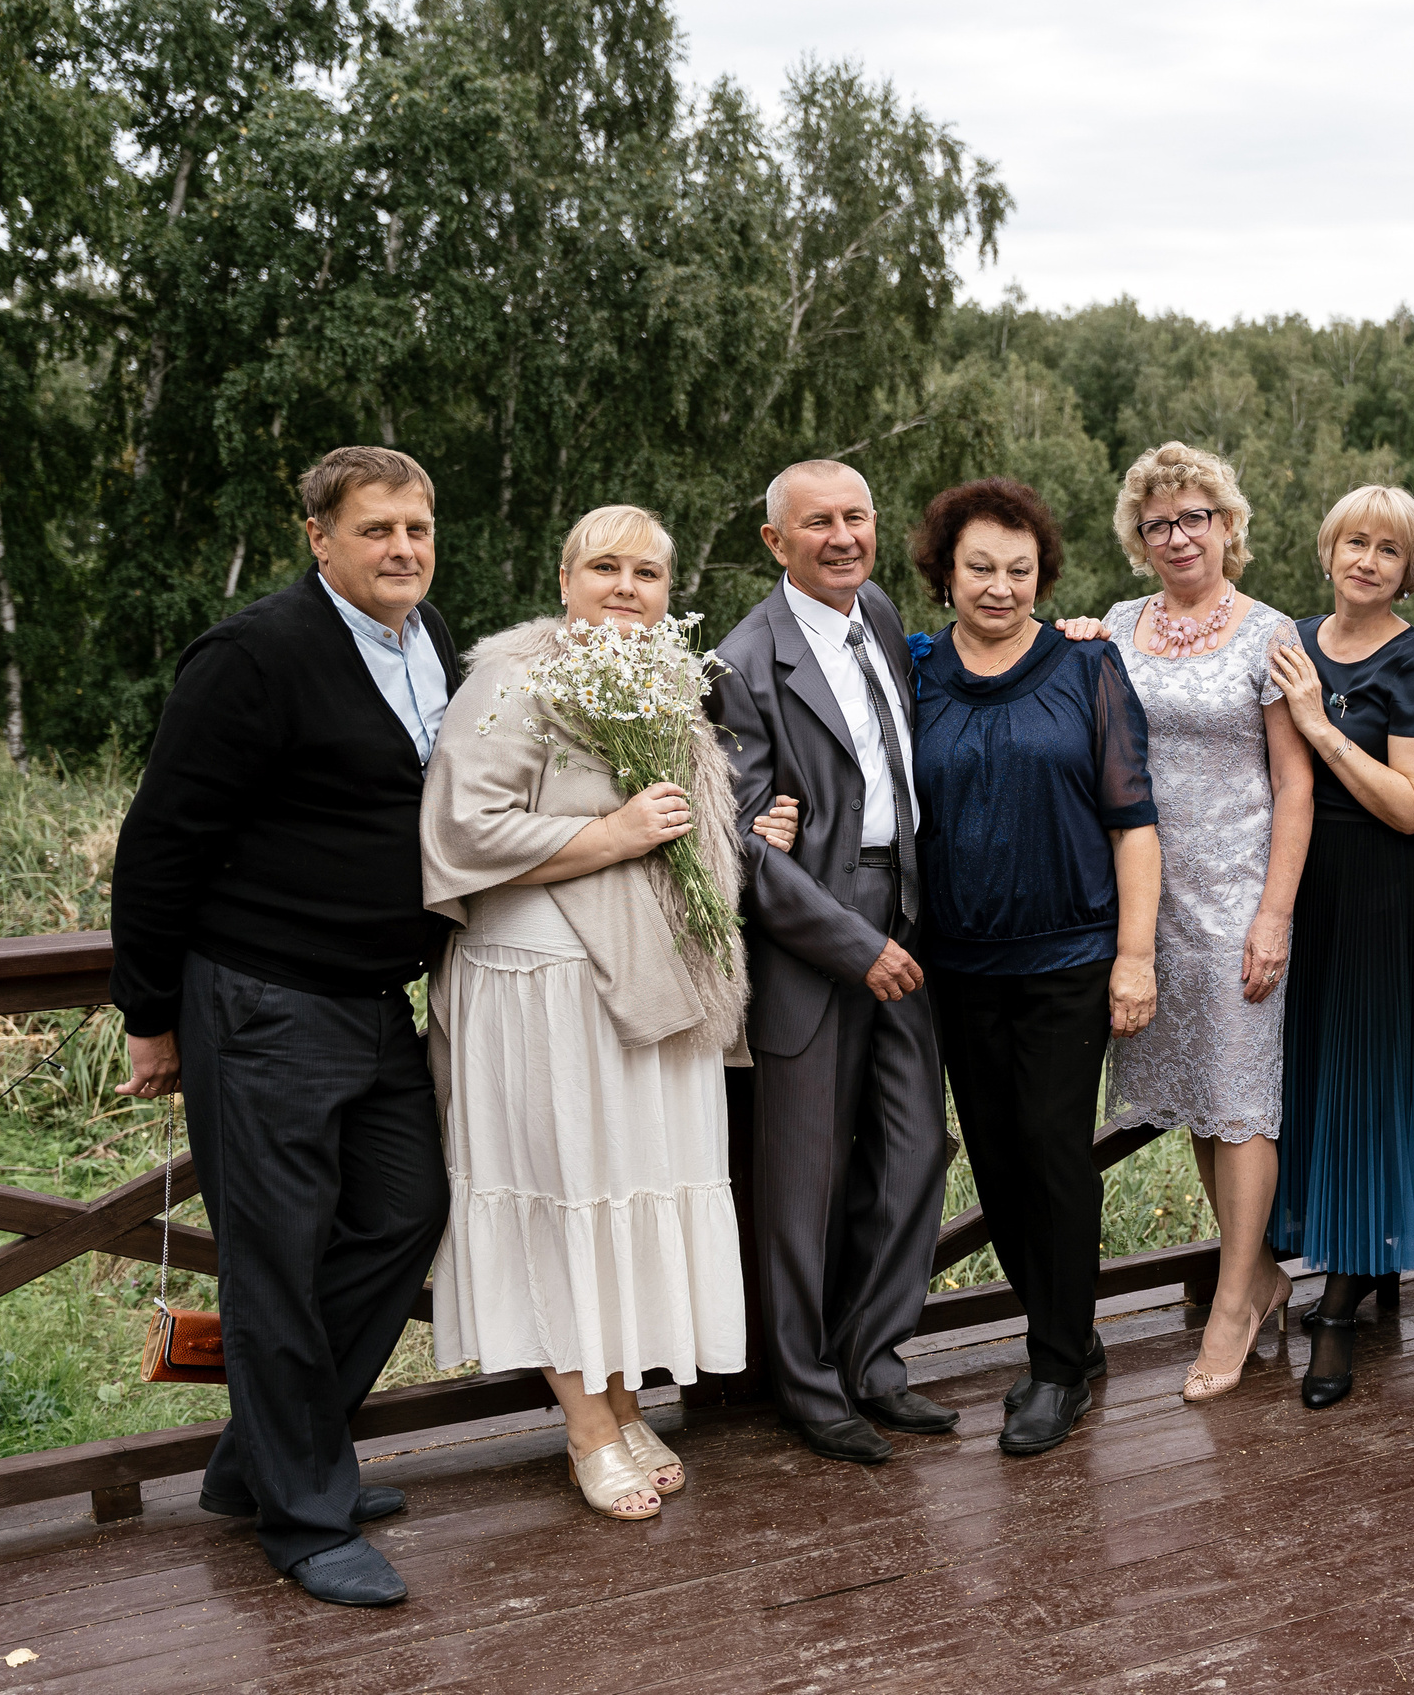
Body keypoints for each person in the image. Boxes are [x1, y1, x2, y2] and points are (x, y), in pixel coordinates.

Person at [108, 445, 458, 1607]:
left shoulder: (427, 643)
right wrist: (149, 1017)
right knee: (275, 1264)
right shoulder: (256, 655)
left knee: (406, 1213)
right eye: (376, 530)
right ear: (319, 537)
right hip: (260, 1003)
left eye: (416, 527)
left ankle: (260, 1458)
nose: (402, 548)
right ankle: (304, 1519)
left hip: (373, 1001)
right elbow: (160, 842)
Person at [421, 505, 782, 1519]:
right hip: (539, 986)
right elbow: (462, 830)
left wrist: (748, 826)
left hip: (645, 987)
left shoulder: (666, 685)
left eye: (649, 573)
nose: (628, 587)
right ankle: (584, 1426)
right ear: (566, 577)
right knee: (563, 1196)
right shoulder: (513, 678)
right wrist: (613, 834)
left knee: (624, 1196)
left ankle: (621, 1401)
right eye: (607, 567)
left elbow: (687, 837)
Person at [894, 477, 1161, 1456]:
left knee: (1053, 1154)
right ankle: (1070, 1343)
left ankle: (1056, 1368)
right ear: (944, 573)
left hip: (1069, 957)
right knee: (999, 1164)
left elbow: (1134, 822)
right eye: (979, 569)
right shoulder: (915, 671)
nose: (998, 587)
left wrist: (1134, 957)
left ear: (1041, 574)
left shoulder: (1087, 668)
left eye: (1017, 570)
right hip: (957, 964)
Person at [707, 459, 957, 1466]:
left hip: (905, 912)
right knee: (800, 1183)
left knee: (912, 1154)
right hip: (815, 944)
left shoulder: (883, 616)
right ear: (776, 543)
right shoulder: (741, 664)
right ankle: (804, 1386)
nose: (843, 537)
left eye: (857, 516)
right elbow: (742, 852)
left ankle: (876, 1361)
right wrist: (853, 946)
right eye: (818, 524)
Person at [1100, 441, 1315, 1402]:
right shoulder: (1113, 624)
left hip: (1238, 899)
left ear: (1228, 524)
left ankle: (1234, 1304)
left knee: (1241, 1102)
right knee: (1192, 1091)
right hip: (1148, 900)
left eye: (1195, 517)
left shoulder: (1269, 631)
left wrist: (1275, 916)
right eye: (1159, 523)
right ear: (1140, 540)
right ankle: (1254, 1272)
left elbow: (1295, 783)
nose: (1178, 535)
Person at [1264, 485, 1414, 1409]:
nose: (1368, 560)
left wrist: (1317, 726)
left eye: (1390, 551)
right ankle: (1340, 1266)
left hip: (1389, 892)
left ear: (1408, 571)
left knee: (1367, 1087)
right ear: (1328, 547)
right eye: (1356, 541)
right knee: (1311, 1081)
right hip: (1309, 888)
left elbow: (1413, 802)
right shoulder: (1291, 641)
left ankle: (1339, 1309)